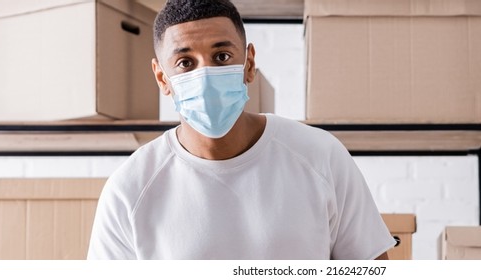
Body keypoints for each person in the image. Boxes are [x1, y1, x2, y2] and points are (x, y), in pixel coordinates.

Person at [87, 0, 394, 260]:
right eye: (185, 63)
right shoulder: (129, 191)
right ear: (162, 77)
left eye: (221, 57)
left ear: (248, 63)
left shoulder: (320, 156)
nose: (205, 75)